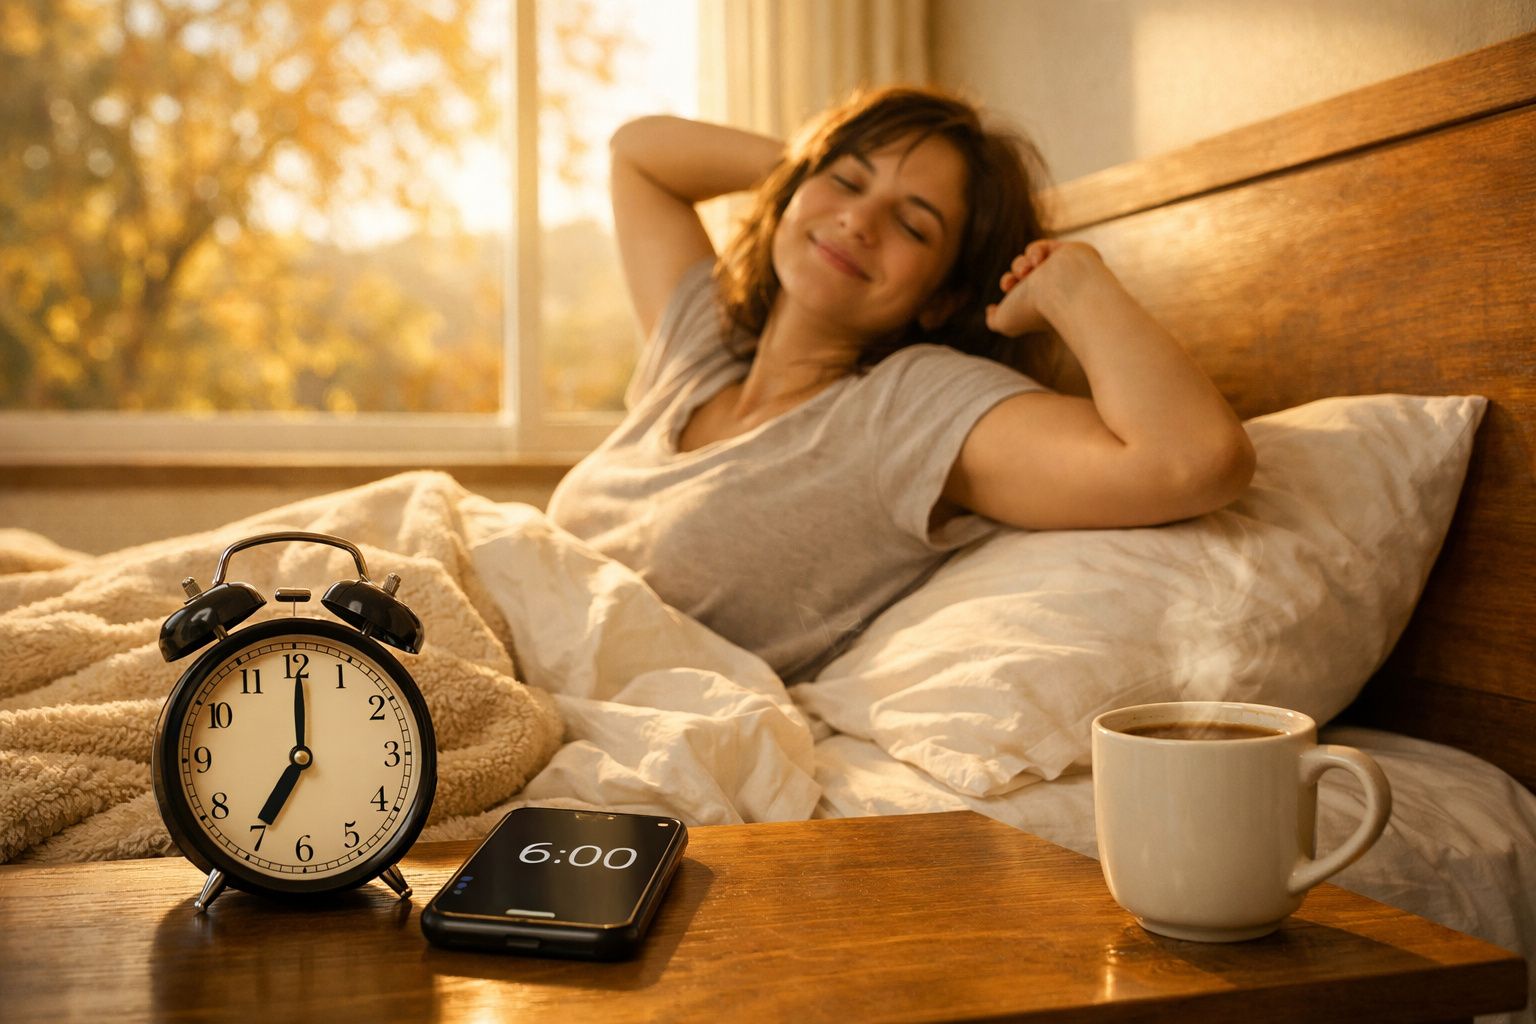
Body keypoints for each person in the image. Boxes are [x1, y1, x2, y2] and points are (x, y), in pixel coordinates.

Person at [546, 87, 1255, 681]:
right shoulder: (703, 350)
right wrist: (804, 172)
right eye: (848, 183)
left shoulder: (907, 406)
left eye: (913, 227)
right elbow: (637, 152)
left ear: (942, 297)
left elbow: (1192, 459)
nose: (858, 221)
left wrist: (1075, 285)